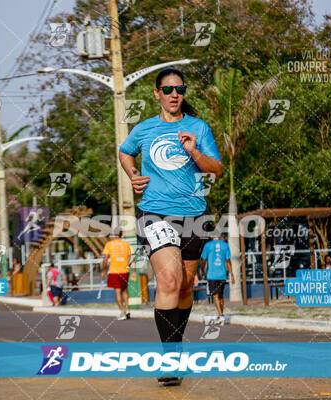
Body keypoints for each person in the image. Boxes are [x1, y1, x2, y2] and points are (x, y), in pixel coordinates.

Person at [119, 68, 222, 386]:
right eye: (168, 89)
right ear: (157, 94)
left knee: (186, 286)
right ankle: (169, 358)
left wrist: (193, 151)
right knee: (169, 278)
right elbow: (124, 152)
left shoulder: (198, 128)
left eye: (180, 89)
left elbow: (216, 169)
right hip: (155, 213)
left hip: (193, 215)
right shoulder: (144, 129)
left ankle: (175, 344)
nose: (174, 94)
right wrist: (133, 174)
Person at [101, 233, 137, 320]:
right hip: (125, 271)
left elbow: (105, 259)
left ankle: (122, 312)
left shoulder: (109, 244)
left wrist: (103, 271)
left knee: (117, 292)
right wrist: (134, 272)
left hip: (114, 272)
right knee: (124, 291)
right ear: (121, 234)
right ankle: (127, 308)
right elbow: (132, 259)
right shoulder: (127, 244)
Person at [200, 235, 235, 318]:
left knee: (215, 295)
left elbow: (204, 260)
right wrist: (232, 274)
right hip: (222, 275)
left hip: (211, 275)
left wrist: (202, 270)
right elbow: (228, 261)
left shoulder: (207, 245)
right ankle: (221, 314)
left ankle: (220, 314)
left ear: (212, 236)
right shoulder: (225, 245)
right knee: (220, 295)